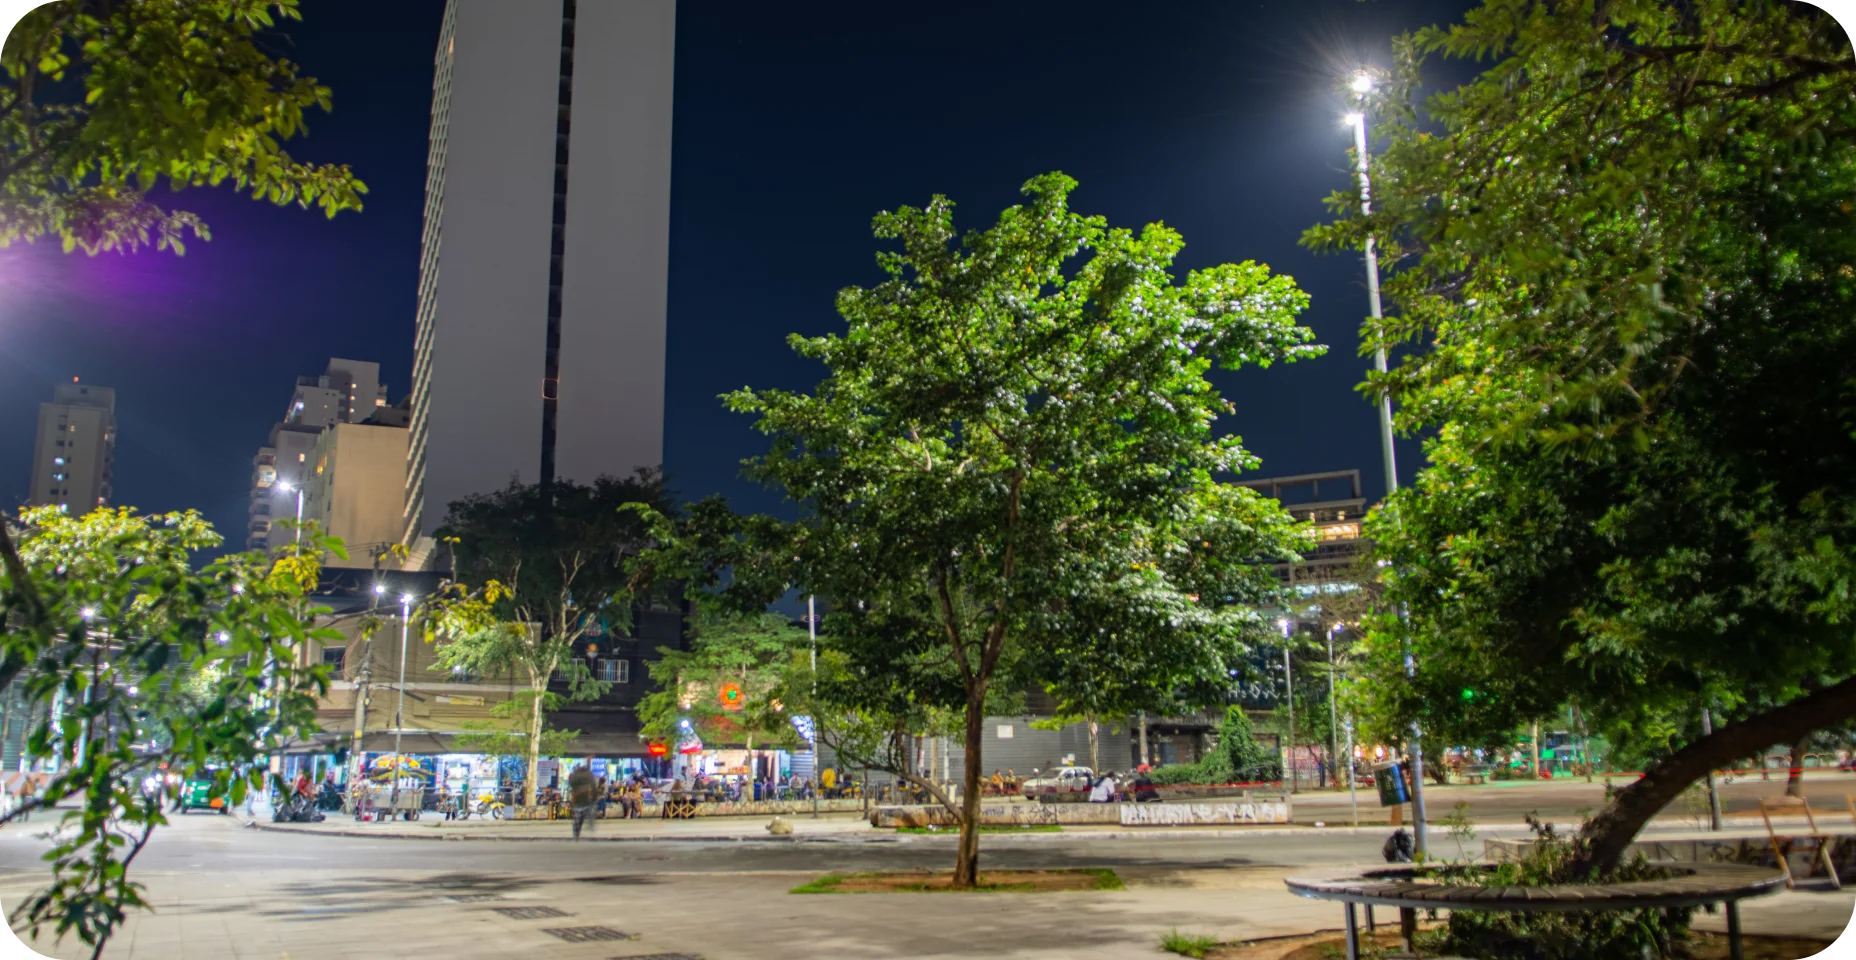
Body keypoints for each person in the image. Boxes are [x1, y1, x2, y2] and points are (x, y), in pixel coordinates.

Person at [567, 764, 597, 840]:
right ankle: (590, 824)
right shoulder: (589, 775)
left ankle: (576, 835)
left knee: (577, 821)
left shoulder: (575, 775)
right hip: (586, 801)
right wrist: (594, 798)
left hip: (578, 801)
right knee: (590, 811)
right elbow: (594, 788)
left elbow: (571, 784)